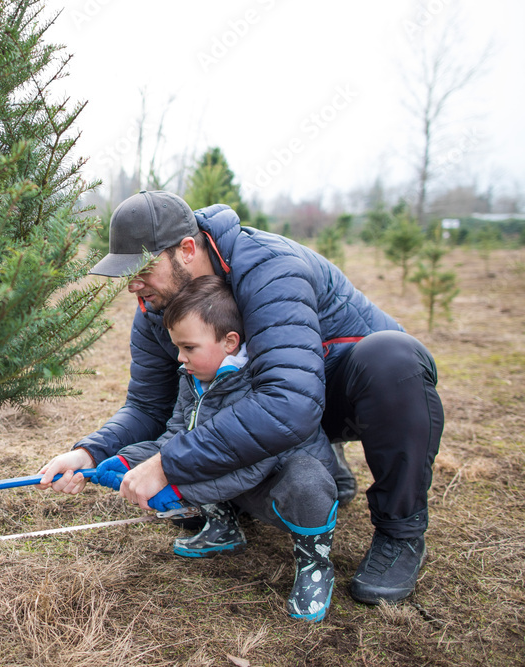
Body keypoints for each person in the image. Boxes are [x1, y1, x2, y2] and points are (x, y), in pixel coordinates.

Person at [39, 190, 443, 605]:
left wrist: (168, 463)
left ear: (188, 249)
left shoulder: (270, 268)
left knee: (392, 358)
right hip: (270, 406)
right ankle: (319, 475)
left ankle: (401, 532)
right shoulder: (157, 311)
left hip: (349, 391)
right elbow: (148, 406)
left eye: (143, 268)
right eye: (128, 274)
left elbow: (290, 402)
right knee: (228, 457)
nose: (133, 287)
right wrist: (90, 452)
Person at [93, 274, 340, 621]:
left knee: (307, 483)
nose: (180, 358)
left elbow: (247, 466)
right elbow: (175, 441)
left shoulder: (257, 386)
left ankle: (315, 565)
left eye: (189, 348)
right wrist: (123, 461)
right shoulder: (193, 380)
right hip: (241, 482)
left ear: (229, 342)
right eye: (177, 347)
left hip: (277, 483)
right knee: (194, 452)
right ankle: (224, 529)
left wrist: (179, 490)